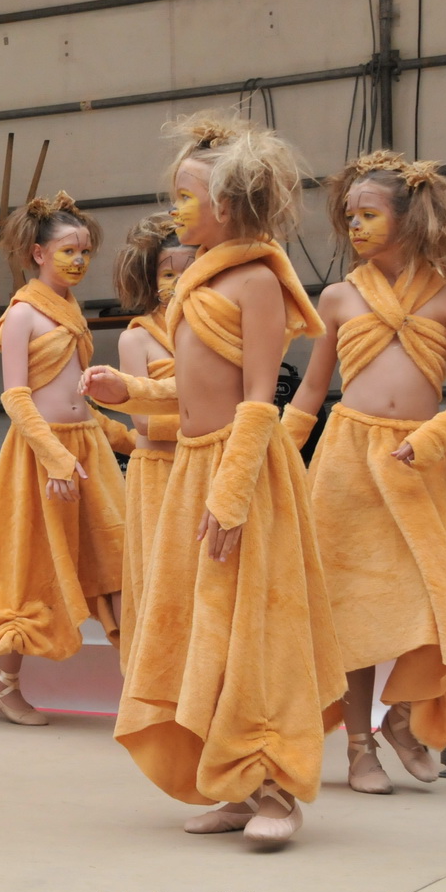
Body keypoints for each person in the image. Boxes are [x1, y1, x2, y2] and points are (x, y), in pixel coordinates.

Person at [82, 115, 346, 846]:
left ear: (226, 206)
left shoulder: (257, 281)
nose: (175, 210)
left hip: (242, 472)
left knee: (252, 628)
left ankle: (275, 785)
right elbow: (195, 391)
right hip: (192, 467)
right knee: (202, 628)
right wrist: (130, 392)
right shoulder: (198, 282)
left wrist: (230, 497)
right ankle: (233, 782)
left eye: (185, 197)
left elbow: (258, 399)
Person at [287, 152, 446, 795]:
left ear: (410, 218)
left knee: (435, 602)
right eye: (349, 216)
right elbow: (311, 392)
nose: (354, 226)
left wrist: (433, 437)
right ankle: (358, 749)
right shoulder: (338, 297)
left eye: (369, 214)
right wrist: (276, 458)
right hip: (347, 463)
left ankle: (402, 718)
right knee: (349, 612)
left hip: (421, 465)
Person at [0, 193, 126, 726]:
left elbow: (79, 393)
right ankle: (5, 683)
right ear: (38, 253)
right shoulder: (21, 314)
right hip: (40, 456)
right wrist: (55, 458)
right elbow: (15, 397)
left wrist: (125, 437)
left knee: (118, 559)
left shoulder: (72, 309)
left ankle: (141, 688)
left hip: (89, 448)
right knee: (32, 568)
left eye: (85, 251)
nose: (79, 260)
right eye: (67, 251)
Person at [112, 214, 193, 668]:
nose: (177, 283)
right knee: (160, 579)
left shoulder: (216, 331)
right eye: (167, 273)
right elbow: (143, 421)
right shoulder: (137, 338)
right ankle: (154, 680)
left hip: (203, 466)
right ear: (150, 278)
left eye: (188, 271)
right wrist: (207, 420)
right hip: (157, 475)